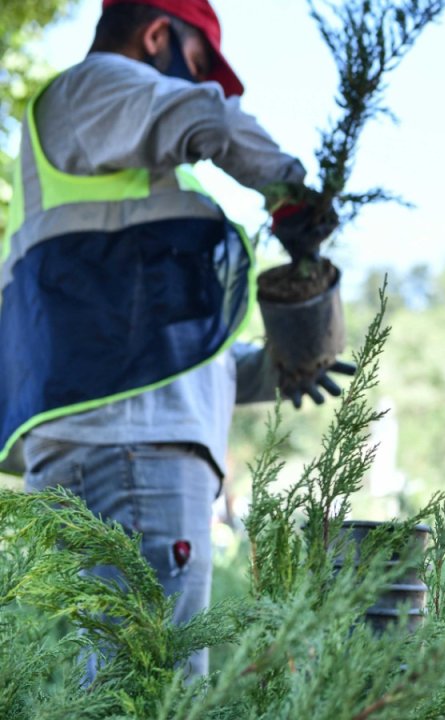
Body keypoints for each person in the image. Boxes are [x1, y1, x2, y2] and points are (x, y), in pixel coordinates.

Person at [0, 0, 342, 676]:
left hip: (105, 443)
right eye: (193, 65)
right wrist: (289, 193)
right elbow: (209, 118)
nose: (193, 86)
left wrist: (274, 370)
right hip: (136, 456)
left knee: (103, 687)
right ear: (156, 34)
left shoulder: (114, 184)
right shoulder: (95, 87)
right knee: (161, 687)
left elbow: (143, 353)